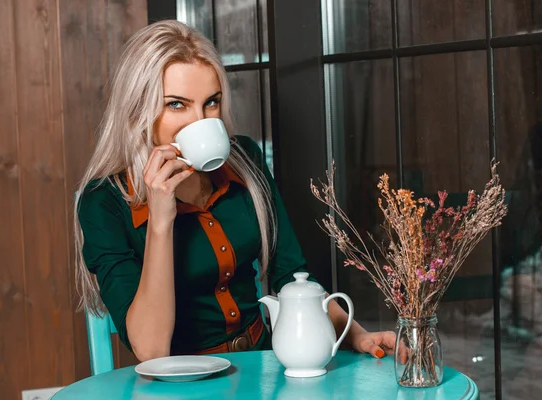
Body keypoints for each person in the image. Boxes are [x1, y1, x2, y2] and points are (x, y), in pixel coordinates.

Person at [74, 20, 396, 362]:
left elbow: (292, 278)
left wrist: (356, 335)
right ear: (138, 111)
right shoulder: (103, 202)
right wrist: (161, 220)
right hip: (181, 382)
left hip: (264, 364)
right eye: (177, 105)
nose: (200, 122)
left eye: (211, 103)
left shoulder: (244, 159)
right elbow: (151, 350)